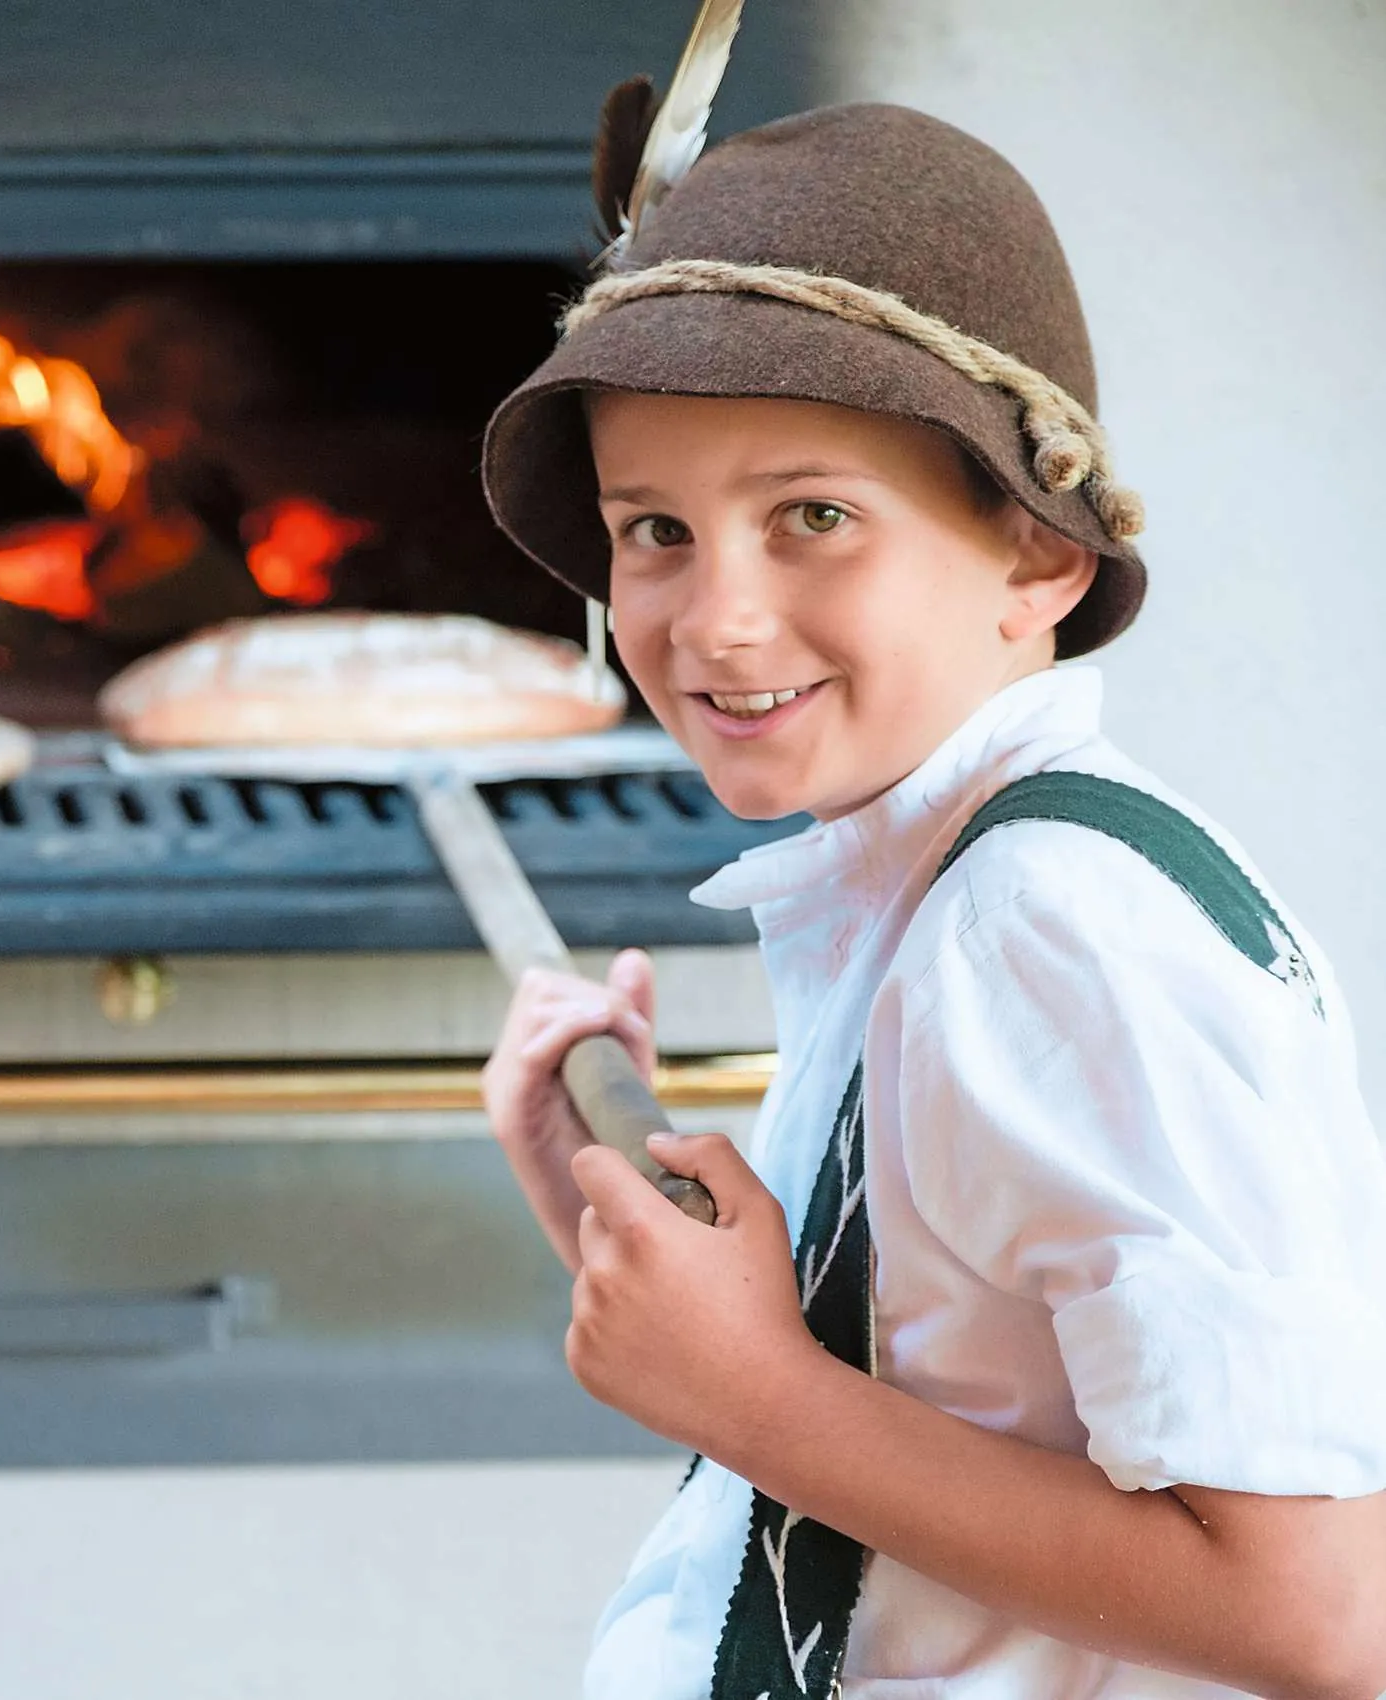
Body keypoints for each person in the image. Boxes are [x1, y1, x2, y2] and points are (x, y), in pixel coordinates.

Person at [477, 100, 1386, 1698]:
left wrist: (746, 1394)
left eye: (811, 517)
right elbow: (951, 1389)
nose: (715, 622)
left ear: (1039, 561)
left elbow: (1311, 1616)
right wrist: (645, 1256)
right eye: (654, 533)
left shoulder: (1052, 930)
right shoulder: (938, 875)